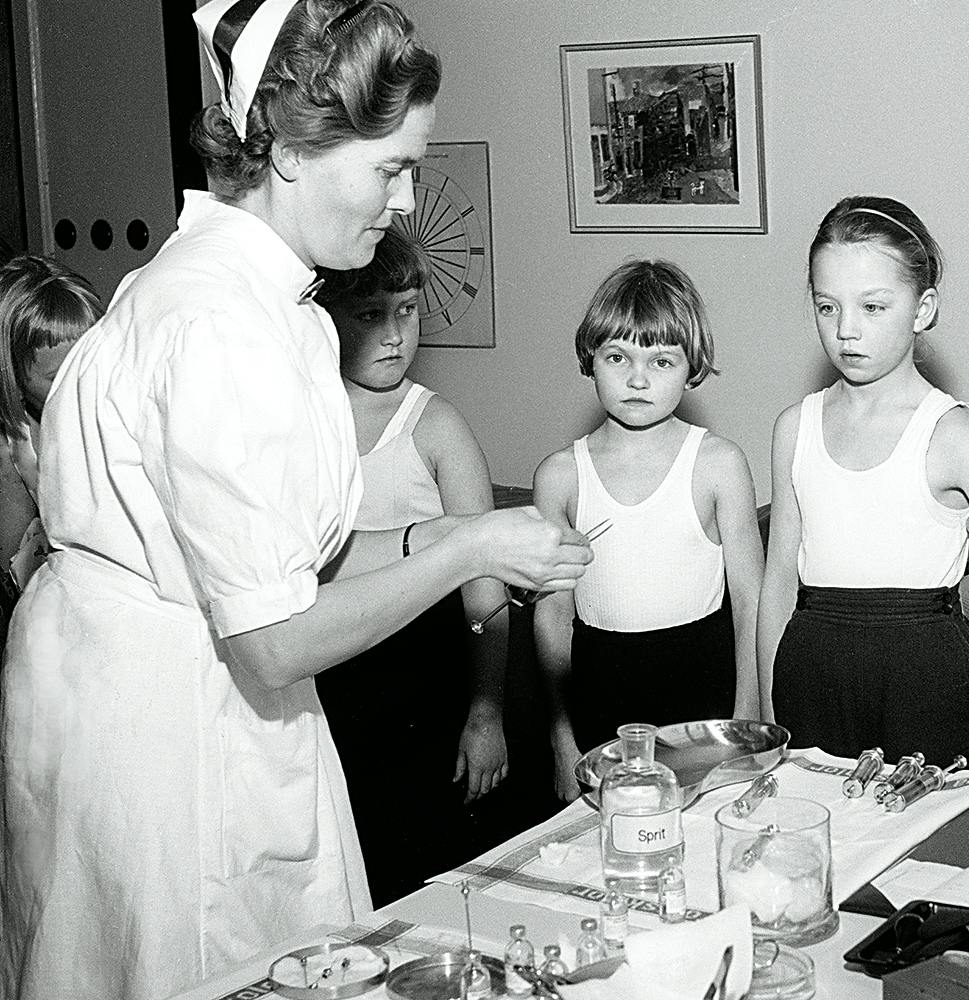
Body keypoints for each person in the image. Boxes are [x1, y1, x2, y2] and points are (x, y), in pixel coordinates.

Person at [0, 3, 592, 998]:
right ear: (288, 152)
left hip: (139, 685)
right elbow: (272, 637)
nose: (405, 201)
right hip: (166, 737)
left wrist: (453, 530)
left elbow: (286, 555)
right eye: (390, 169)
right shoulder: (218, 327)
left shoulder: (256, 297)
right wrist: (464, 555)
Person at [757, 196, 969, 772]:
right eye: (827, 307)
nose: (846, 330)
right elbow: (780, 578)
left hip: (928, 686)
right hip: (813, 680)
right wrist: (768, 721)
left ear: (922, 309)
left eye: (873, 307)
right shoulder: (794, 428)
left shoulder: (950, 435)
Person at [313, 227, 508, 906]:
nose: (395, 335)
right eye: (371, 314)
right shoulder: (304, 421)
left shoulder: (435, 425)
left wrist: (486, 712)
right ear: (327, 316)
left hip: (424, 682)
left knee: (429, 869)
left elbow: (485, 592)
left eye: (407, 311)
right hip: (329, 672)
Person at [534, 259, 763, 801]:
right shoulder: (561, 476)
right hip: (599, 700)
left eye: (661, 361)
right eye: (618, 357)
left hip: (701, 697)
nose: (638, 380)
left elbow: (751, 602)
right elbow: (553, 617)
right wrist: (561, 739)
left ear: (691, 367)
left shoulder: (718, 464)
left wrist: (746, 721)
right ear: (590, 358)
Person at [0, 255, 102, 619]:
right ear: (14, 378)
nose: (83, 382)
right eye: (59, 376)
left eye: (92, 361)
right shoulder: (16, 451)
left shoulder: (116, 413)